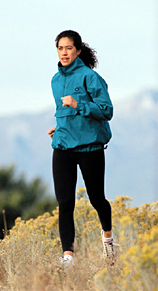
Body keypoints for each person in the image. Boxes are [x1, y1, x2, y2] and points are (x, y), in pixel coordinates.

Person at [47, 30, 116, 267]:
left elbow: (106, 110)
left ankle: (108, 240)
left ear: (77, 50)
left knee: (97, 199)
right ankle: (68, 256)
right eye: (60, 48)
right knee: (65, 202)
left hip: (90, 148)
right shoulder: (55, 80)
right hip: (63, 146)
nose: (63, 53)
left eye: (68, 48)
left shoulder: (90, 77)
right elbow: (64, 111)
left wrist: (79, 104)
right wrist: (59, 127)